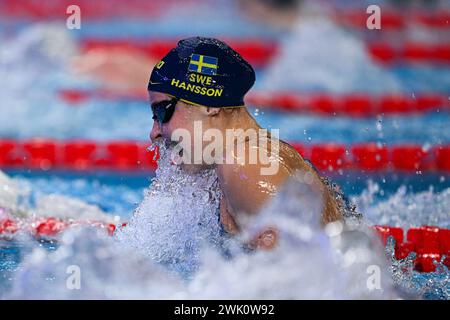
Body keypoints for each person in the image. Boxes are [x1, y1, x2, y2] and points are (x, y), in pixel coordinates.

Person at [147, 37, 353, 250]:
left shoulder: (243, 163)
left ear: (208, 104)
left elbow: (301, 276)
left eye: (162, 111)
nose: (154, 133)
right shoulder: (259, 155)